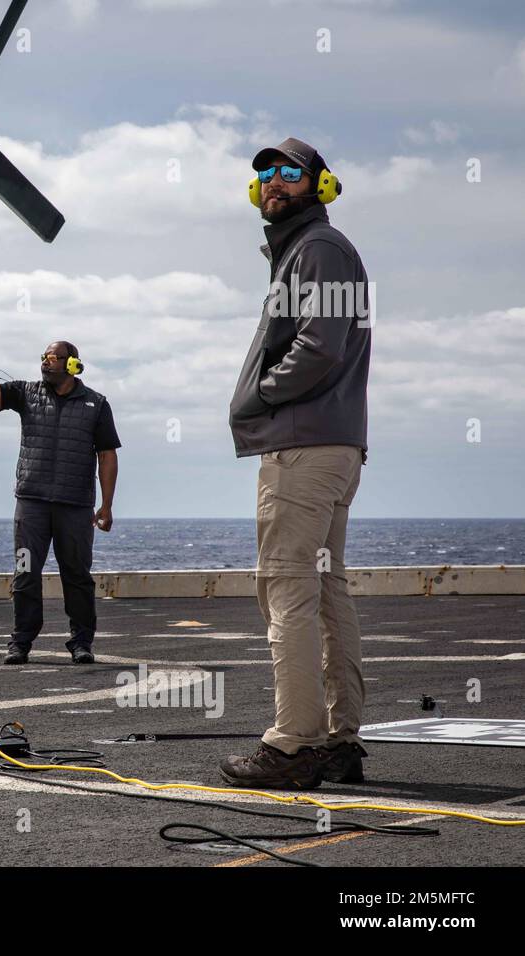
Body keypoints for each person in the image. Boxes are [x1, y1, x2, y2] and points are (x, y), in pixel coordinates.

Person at [222, 137, 372, 789]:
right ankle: (339, 741)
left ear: (321, 186)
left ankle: (293, 745)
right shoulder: (306, 252)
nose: (276, 183)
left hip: (304, 448)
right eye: (266, 176)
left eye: (290, 173)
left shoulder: (320, 249)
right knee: (325, 590)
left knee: (286, 587)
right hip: (329, 444)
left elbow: (320, 346)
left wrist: (260, 394)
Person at [0, 339, 120, 665]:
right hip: (31, 504)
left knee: (77, 576)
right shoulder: (26, 393)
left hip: (75, 506)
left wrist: (106, 505)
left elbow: (107, 456)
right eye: (44, 357)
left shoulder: (97, 404)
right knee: (25, 573)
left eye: (53, 358)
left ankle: (81, 643)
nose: (46, 363)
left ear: (73, 365)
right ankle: (20, 642)